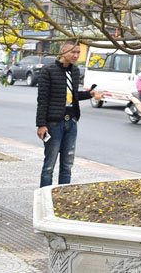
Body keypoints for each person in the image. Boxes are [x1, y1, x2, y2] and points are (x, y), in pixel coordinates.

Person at [35, 50, 103, 187]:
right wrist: (41, 124)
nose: (76, 55)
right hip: (54, 124)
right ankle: (46, 198)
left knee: (67, 165)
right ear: (62, 51)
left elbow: (72, 95)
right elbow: (42, 99)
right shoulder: (48, 71)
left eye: (78, 52)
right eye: (73, 52)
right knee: (49, 165)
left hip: (71, 122)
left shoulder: (75, 71)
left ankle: (62, 197)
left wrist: (90, 94)